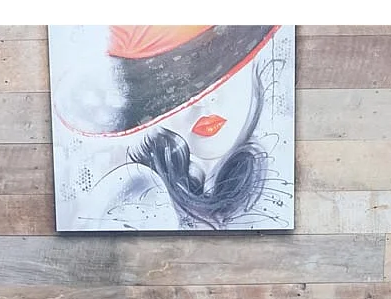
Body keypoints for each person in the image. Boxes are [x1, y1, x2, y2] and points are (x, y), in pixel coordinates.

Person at [50, 25, 293, 231]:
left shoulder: (274, 187)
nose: (204, 100)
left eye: (222, 69)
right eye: (174, 87)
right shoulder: (134, 196)